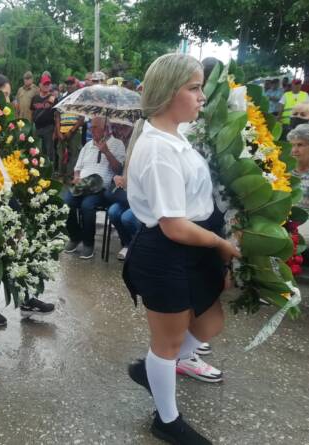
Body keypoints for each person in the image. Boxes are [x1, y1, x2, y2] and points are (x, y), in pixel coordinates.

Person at [123, 54, 240, 444]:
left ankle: (153, 368)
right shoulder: (158, 149)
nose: (201, 96)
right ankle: (167, 420)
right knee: (168, 342)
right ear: (168, 93)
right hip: (168, 250)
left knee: (210, 323)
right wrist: (223, 245)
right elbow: (172, 224)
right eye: (193, 88)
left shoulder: (178, 134)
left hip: (194, 243)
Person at [0, 71, 55, 326]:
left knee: (20, 242)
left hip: (5, 190)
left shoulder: (2, 122)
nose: (8, 101)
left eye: (9, 95)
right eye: (3, 95)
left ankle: (27, 297)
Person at [64, 117, 124, 260]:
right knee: (66, 203)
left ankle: (88, 243)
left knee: (87, 205)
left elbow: (119, 170)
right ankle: (75, 236)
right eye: (91, 127)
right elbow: (77, 168)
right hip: (83, 185)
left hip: (102, 187)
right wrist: (77, 177)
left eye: (95, 127)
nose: (91, 129)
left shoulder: (117, 144)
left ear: (105, 129)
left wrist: (107, 152)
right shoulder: (87, 145)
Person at [54, 76, 83, 180]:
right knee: (61, 154)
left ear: (76, 84)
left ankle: (71, 177)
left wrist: (71, 130)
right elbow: (57, 116)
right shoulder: (62, 99)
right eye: (68, 84)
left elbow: (81, 119)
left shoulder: (80, 99)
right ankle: (61, 176)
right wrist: (58, 132)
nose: (69, 85)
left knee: (74, 155)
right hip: (62, 132)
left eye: (71, 83)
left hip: (74, 132)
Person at [289, 124, 309, 248]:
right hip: (285, 215)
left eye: (300, 145)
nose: (295, 150)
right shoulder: (284, 169)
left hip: (306, 218)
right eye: (293, 145)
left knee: (293, 239)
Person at [31, 74, 57, 162]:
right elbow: (32, 112)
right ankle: (38, 170)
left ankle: (50, 172)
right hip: (37, 128)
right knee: (37, 151)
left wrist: (55, 131)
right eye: (44, 84)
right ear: (40, 85)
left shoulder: (53, 99)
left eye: (48, 84)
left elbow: (57, 116)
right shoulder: (35, 98)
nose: (46, 86)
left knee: (49, 151)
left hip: (49, 128)